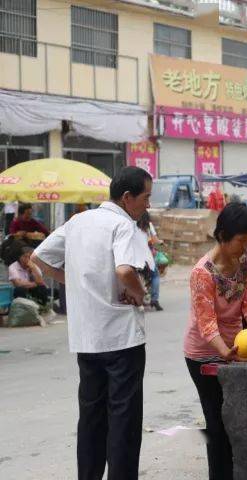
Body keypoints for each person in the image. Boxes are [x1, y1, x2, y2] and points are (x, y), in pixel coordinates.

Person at [32, 166, 152, 480]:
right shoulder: (123, 225)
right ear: (127, 198)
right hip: (122, 340)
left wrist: (69, 280)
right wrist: (140, 296)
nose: (147, 205)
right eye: (146, 197)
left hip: (87, 338)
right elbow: (125, 272)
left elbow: (38, 258)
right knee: (123, 421)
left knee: (92, 418)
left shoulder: (78, 222)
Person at [184, 202, 247, 480]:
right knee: (217, 422)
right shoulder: (202, 273)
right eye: (241, 240)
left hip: (237, 347)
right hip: (204, 352)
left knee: (239, 419)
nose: (245, 246)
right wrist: (224, 351)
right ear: (223, 235)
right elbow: (206, 322)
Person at [137, 212, 163, 311]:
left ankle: (139, 300)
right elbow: (155, 240)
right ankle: (154, 300)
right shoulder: (148, 226)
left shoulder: (132, 225)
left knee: (136, 277)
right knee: (155, 276)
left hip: (135, 258)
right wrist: (161, 242)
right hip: (147, 259)